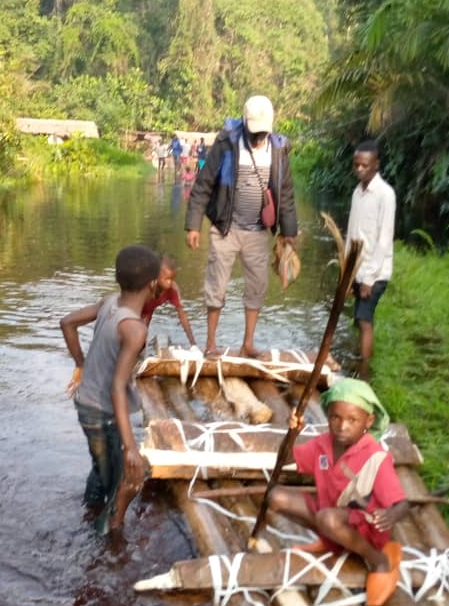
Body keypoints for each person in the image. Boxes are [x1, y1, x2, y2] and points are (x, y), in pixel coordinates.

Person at [268, 378, 409, 606]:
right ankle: (332, 540)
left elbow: (402, 504)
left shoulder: (375, 456)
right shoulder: (323, 444)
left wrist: (391, 516)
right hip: (331, 515)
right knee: (276, 497)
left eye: (353, 420)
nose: (342, 426)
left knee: (328, 518)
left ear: (368, 420)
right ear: (328, 415)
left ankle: (378, 560)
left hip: (365, 528)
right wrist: (293, 433)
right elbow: (286, 459)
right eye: (336, 417)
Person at [185, 95, 298, 358]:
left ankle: (248, 343)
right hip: (226, 228)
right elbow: (203, 184)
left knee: (257, 286)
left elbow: (286, 195)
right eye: (254, 131)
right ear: (245, 123)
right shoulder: (227, 143)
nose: (258, 137)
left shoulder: (278, 150)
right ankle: (210, 344)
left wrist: (289, 233)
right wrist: (193, 225)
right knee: (216, 285)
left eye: (262, 132)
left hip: (258, 231)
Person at [59, 245, 160, 534]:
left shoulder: (109, 302)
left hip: (85, 403)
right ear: (152, 285)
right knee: (124, 483)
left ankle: (90, 509)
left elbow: (67, 323)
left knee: (101, 464)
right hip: (103, 412)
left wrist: (82, 364)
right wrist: (131, 447)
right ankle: (108, 539)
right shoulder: (135, 329)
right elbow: (118, 386)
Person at [345, 140, 397, 379]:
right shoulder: (358, 192)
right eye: (356, 165)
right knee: (358, 319)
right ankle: (358, 361)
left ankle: (364, 372)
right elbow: (352, 235)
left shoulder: (385, 195)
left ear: (376, 165)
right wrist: (347, 274)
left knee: (365, 320)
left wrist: (368, 279)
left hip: (374, 273)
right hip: (356, 269)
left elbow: (384, 240)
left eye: (364, 165)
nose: (359, 170)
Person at [141, 254, 198, 348]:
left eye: (172, 278)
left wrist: (193, 343)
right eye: (167, 279)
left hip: (148, 313)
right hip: (135, 310)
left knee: (142, 340)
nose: (170, 282)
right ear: (156, 276)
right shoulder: (146, 287)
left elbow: (182, 316)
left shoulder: (172, 289)